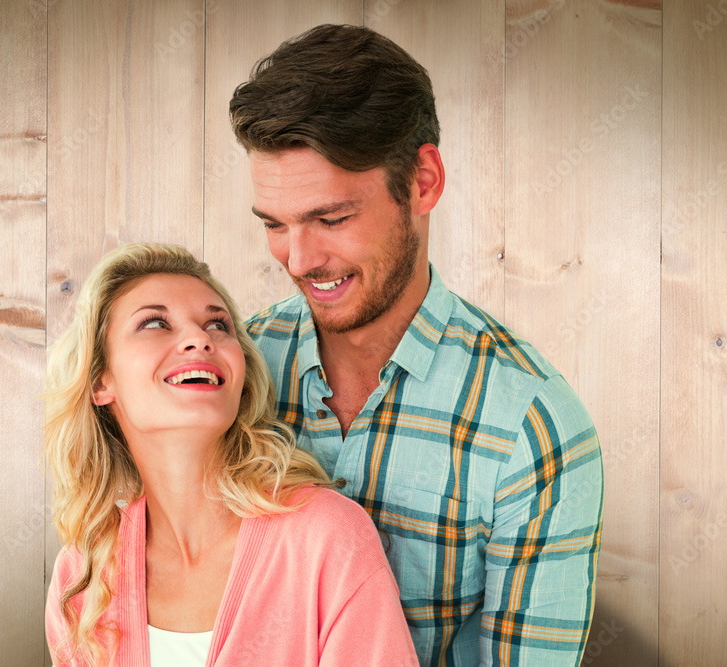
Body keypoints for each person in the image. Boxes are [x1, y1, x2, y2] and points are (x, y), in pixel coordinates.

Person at [230, 24, 604, 666]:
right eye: (275, 225)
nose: (299, 259)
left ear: (423, 181)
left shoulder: (532, 429)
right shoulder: (231, 370)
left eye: (332, 218)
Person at [43, 242, 418, 666]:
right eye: (154, 323)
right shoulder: (83, 573)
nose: (200, 339)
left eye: (218, 325)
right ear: (100, 381)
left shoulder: (328, 539)